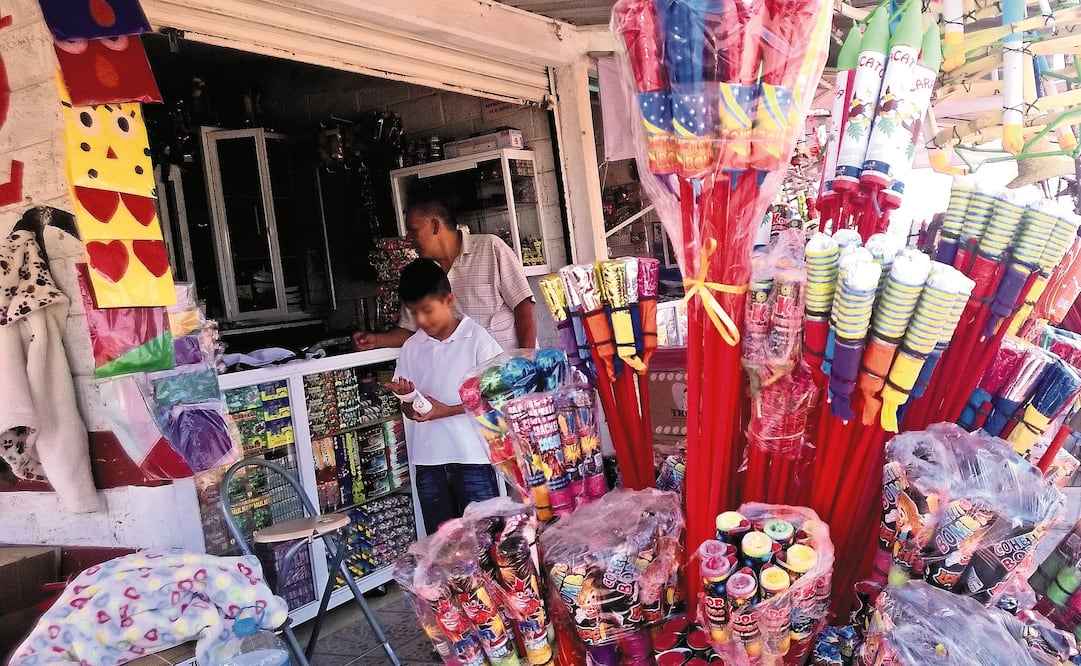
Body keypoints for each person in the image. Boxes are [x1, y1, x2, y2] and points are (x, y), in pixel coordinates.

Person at [385, 258, 503, 534]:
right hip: (428, 462)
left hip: (473, 458)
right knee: (443, 548)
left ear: (448, 300)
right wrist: (409, 402)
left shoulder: (477, 339)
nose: (422, 320)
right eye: (414, 313)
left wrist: (445, 410)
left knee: (484, 543)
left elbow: (496, 397)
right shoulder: (412, 347)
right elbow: (408, 410)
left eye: (427, 310)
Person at [354, 199, 536, 352]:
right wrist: (376, 341)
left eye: (413, 230)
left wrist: (525, 361)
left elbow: (523, 306)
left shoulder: (490, 248)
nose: (408, 238)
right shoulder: (423, 272)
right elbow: (412, 330)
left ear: (434, 226)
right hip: (466, 381)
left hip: (510, 371)